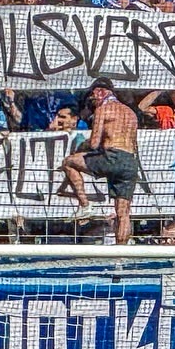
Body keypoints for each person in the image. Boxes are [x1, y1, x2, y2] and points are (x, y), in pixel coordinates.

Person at [60, 78, 141, 244]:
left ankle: (85, 206)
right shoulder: (131, 113)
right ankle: (122, 253)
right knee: (123, 213)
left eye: (93, 97)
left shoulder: (103, 109)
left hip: (112, 157)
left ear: (101, 92)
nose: (93, 101)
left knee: (69, 162)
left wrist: (81, 147)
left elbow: (94, 143)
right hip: (130, 161)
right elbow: (134, 143)